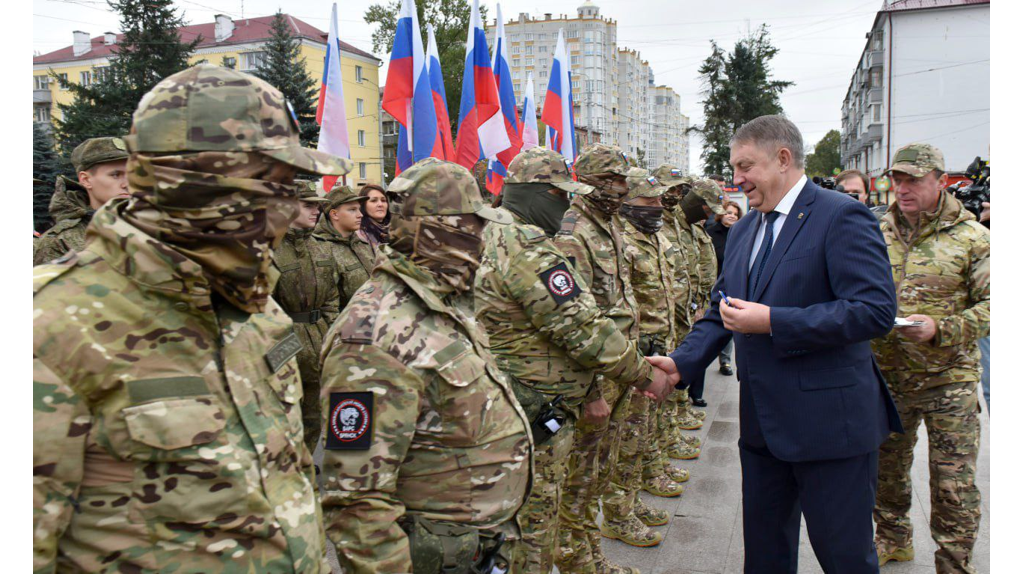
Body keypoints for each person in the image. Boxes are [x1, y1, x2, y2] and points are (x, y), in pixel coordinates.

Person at [33, 63, 352, 572]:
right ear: (194, 183)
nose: (291, 212)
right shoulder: (47, 328)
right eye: (274, 185)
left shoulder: (255, 309)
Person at [648, 114, 901, 574]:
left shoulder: (841, 214)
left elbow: (874, 310)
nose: (736, 178)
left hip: (831, 428)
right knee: (765, 556)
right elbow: (720, 307)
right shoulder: (746, 228)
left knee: (844, 557)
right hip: (763, 425)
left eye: (746, 166)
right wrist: (681, 364)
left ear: (783, 159)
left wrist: (775, 322)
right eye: (734, 167)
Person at [319, 157, 532, 574]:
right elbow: (356, 501)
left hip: (476, 547)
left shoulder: (442, 301)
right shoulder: (373, 333)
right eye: (471, 225)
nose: (481, 239)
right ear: (433, 228)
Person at [474, 148, 669, 573]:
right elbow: (581, 328)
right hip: (534, 403)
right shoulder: (525, 247)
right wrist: (645, 375)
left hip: (521, 402)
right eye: (559, 195)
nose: (565, 204)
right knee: (535, 524)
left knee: (531, 517)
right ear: (537, 193)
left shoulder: (497, 234)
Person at [870, 143, 989, 572]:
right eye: (897, 179)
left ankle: (955, 564)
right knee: (886, 469)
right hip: (888, 375)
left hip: (948, 380)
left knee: (953, 483)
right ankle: (893, 538)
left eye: (914, 180)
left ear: (941, 181)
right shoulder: (874, 232)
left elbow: (996, 304)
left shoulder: (973, 238)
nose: (902, 188)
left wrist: (942, 329)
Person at [553, 143, 644, 574]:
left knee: (599, 469)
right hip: (596, 374)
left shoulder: (610, 224)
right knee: (580, 475)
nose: (622, 188)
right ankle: (573, 560)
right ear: (587, 182)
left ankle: (589, 553)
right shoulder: (574, 232)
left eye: (623, 180)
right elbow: (576, 321)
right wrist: (591, 389)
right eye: (612, 180)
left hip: (620, 365)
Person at [599, 168, 681, 548]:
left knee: (641, 434)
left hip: (656, 350)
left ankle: (628, 504)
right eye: (648, 202)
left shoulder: (655, 237)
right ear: (628, 203)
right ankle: (616, 514)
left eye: (658, 200)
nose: (657, 206)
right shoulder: (622, 243)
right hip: (630, 358)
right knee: (626, 441)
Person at [272, 181, 340, 451]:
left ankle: (308, 468)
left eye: (318, 206)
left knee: (315, 415)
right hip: (284, 346)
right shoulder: (270, 249)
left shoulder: (322, 248)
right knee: (285, 416)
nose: (316, 211)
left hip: (319, 340)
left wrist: (330, 333)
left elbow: (332, 297)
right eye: (308, 205)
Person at [650, 165, 703, 463]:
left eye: (678, 189)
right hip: (657, 322)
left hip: (679, 315)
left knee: (672, 383)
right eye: (670, 188)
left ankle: (668, 439)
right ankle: (657, 453)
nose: (675, 194)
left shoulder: (676, 222)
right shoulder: (652, 222)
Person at [33, 137, 129, 265]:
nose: (127, 184)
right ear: (86, 180)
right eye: (116, 175)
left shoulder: (155, 226)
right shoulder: (61, 241)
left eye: (132, 174)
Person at [674, 177, 726, 411]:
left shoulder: (692, 227)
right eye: (707, 208)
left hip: (693, 305)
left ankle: (680, 411)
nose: (710, 215)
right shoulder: (672, 224)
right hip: (677, 308)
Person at [314, 184, 378, 310]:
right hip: (345, 325)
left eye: (359, 209)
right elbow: (327, 306)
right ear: (334, 214)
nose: (360, 215)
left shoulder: (361, 244)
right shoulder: (322, 249)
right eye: (352, 210)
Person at [705, 200, 743, 375]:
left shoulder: (743, 233)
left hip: (734, 284)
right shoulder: (710, 233)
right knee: (718, 319)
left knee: (731, 322)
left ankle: (726, 361)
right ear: (721, 214)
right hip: (715, 284)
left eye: (735, 214)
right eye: (728, 213)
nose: (732, 216)